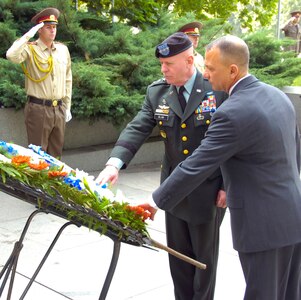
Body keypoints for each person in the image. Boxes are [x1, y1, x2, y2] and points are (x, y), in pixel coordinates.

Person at [146, 35, 301, 300]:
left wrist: (155, 201)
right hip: (291, 216)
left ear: (233, 70)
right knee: (288, 293)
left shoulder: (232, 112)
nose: (204, 73)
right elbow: (294, 156)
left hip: (262, 226)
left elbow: (196, 165)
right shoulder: (278, 96)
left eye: (210, 68)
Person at [96, 32, 228, 300]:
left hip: (208, 189)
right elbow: (138, 127)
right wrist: (114, 164)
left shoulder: (216, 89)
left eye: (169, 64)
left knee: (204, 261)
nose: (163, 69)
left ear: (190, 61)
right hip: (172, 189)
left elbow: (230, 143)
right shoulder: (158, 92)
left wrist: (228, 185)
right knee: (178, 258)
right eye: (161, 64)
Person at [6, 7, 72, 158]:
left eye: (54, 27)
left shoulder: (63, 50)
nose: (52, 31)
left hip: (59, 108)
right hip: (38, 109)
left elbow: (68, 79)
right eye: (48, 27)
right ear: (40, 30)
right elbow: (11, 55)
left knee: (56, 157)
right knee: (37, 157)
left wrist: (67, 106)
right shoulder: (31, 50)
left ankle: (55, 182)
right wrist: (28, 35)